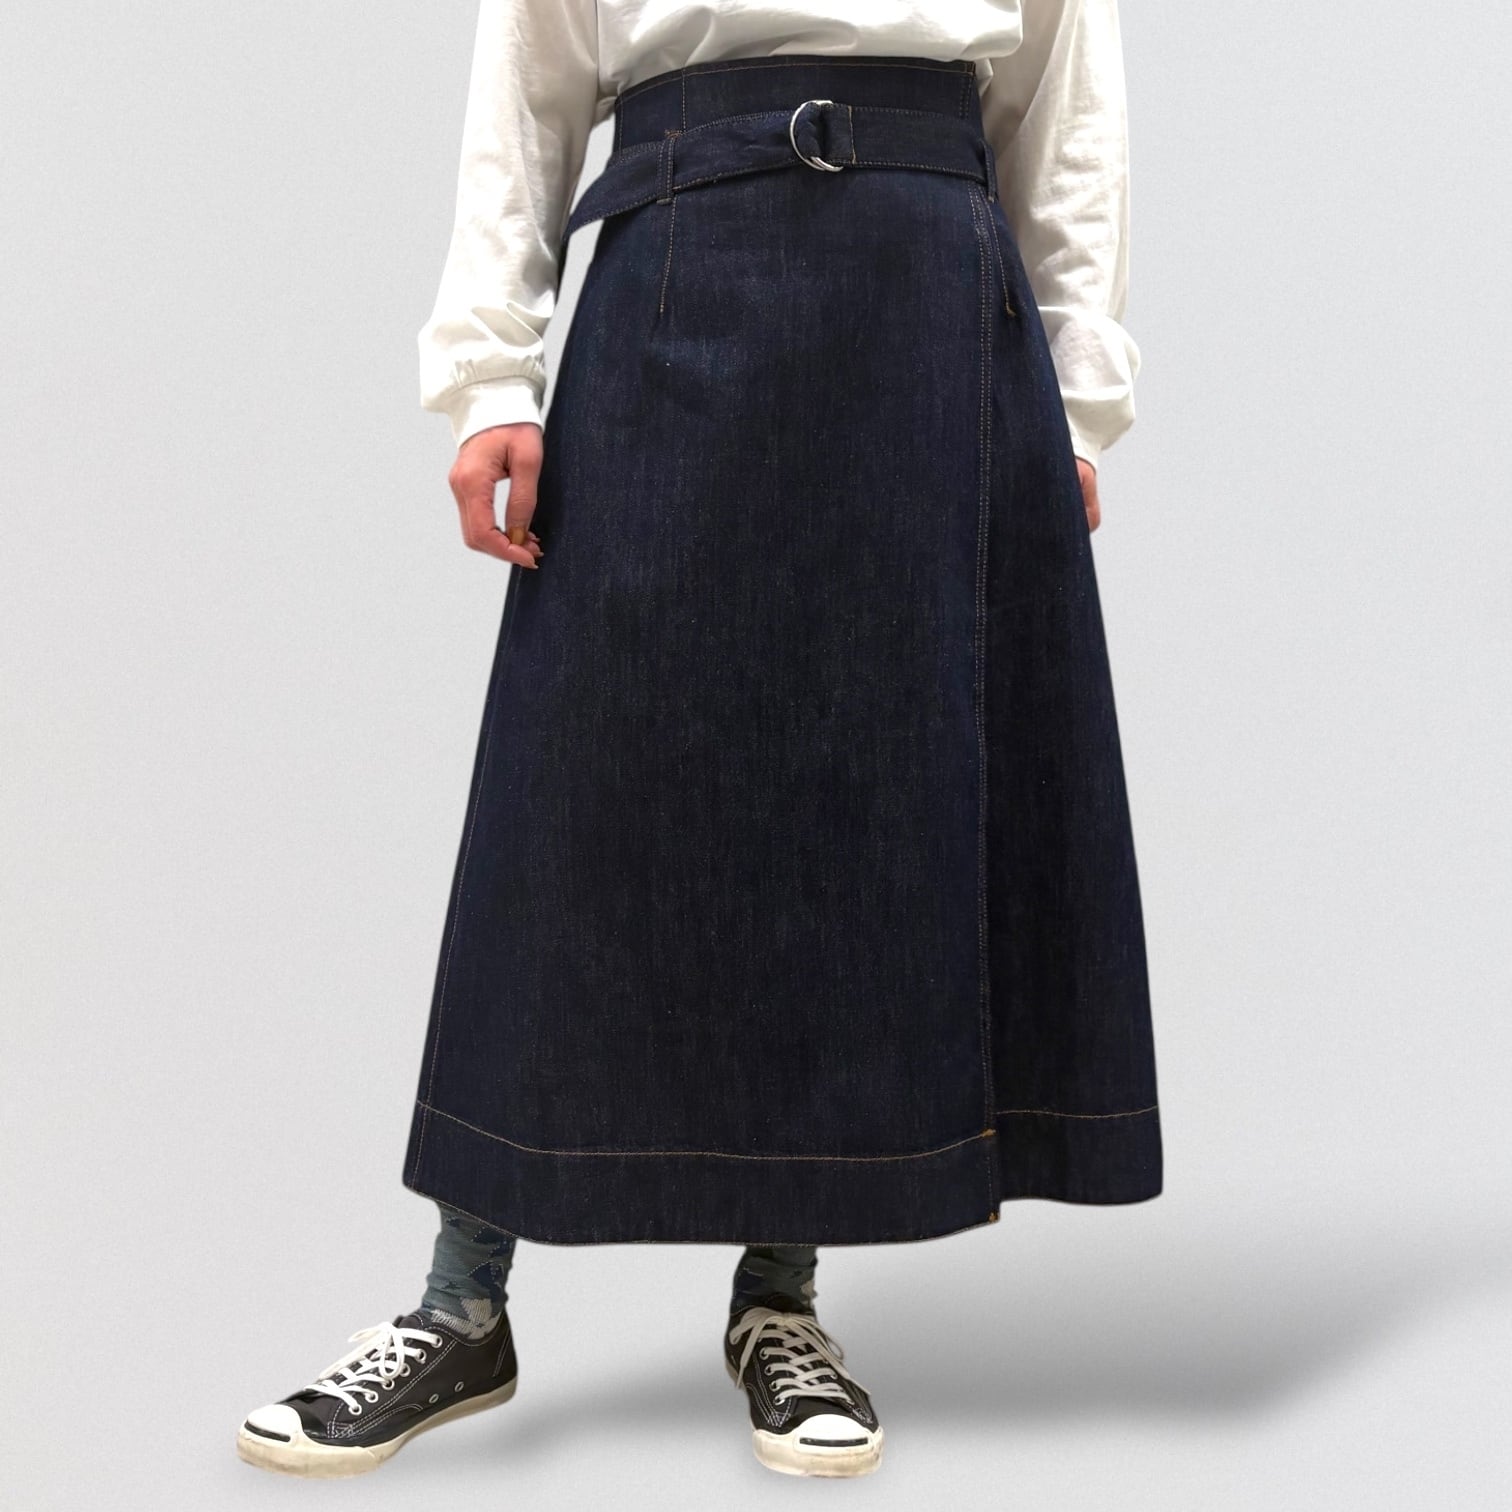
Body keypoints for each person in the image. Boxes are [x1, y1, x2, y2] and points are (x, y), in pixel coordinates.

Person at [236, 0, 1161, 1482]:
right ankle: (463, 1306)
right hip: (679, 258)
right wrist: (489, 373)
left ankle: (780, 1303)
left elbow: (1066, 102)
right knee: (573, 801)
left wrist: (1077, 397)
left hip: (928, 299)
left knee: (860, 799)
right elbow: (532, 70)